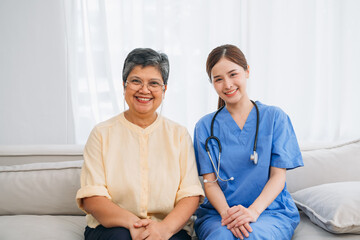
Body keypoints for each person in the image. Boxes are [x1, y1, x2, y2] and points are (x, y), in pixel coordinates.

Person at [76, 48, 204, 240]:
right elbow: (93, 198)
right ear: (124, 85)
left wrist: (163, 230)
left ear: (164, 89)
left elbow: (190, 195)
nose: (144, 90)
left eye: (153, 83)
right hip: (114, 228)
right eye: (136, 81)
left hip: (167, 227)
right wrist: (133, 224)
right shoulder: (101, 133)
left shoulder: (178, 135)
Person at [193, 44, 303, 240]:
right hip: (220, 213)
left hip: (269, 211)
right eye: (218, 79)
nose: (227, 84)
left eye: (233, 74)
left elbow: (278, 177)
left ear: (247, 71)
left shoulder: (275, 118)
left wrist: (252, 212)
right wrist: (228, 214)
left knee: (253, 236)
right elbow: (209, 183)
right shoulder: (204, 127)